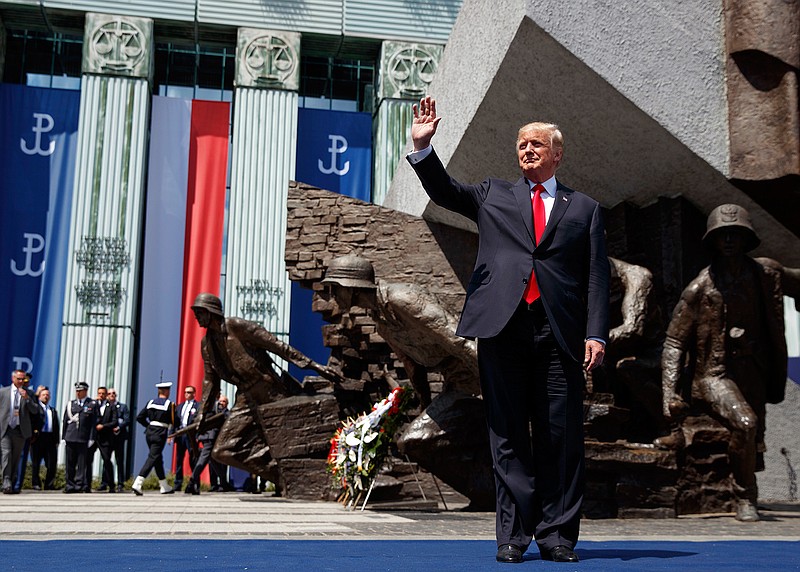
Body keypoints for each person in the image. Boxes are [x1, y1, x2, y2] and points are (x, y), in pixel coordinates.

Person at [407, 96, 609, 563]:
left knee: (560, 436)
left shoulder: (585, 209)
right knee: (508, 434)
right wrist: (423, 148)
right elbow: (446, 192)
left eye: (537, 144)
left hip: (559, 334)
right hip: (504, 329)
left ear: (557, 154)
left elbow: (597, 277)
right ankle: (514, 536)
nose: (527, 151)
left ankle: (557, 535)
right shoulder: (494, 194)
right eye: (521, 145)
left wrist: (596, 334)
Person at [660, 204, 795, 522]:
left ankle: (748, 489)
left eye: (737, 234)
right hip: (714, 375)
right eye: (723, 235)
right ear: (713, 241)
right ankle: (744, 497)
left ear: (748, 239)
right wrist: (669, 393)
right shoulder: (700, 288)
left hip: (754, 371)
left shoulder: (765, 274)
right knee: (746, 423)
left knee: (754, 436)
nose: (730, 240)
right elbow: (674, 341)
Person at [190, 293, 343, 488]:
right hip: (245, 398)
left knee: (291, 442)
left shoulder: (237, 326)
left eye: (199, 312)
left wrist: (314, 366)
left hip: (271, 393)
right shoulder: (207, 344)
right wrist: (202, 413)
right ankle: (281, 476)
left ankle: (300, 478)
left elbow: (277, 346)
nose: (196, 317)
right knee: (221, 450)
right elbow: (210, 381)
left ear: (210, 312)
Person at [132, 381, 177, 495]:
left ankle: (164, 485)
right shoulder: (169, 405)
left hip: (149, 432)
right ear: (167, 391)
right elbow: (175, 421)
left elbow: (139, 417)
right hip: (160, 433)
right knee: (153, 457)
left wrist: (148, 425)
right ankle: (138, 482)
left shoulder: (150, 403)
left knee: (157, 458)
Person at [1, 370, 40, 493]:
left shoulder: (29, 393)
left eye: (23, 379)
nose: (21, 381)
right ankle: (6, 480)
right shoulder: (3, 392)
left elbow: (35, 410)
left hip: (20, 430)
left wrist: (27, 399)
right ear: (13, 379)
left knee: (16, 457)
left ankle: (11, 481)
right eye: (19, 379)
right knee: (6, 453)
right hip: (6, 429)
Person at [62, 381, 97, 493]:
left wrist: (92, 438)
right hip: (71, 436)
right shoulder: (71, 404)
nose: (78, 393)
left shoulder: (91, 404)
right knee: (70, 463)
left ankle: (79, 484)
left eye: (80, 391)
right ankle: (69, 484)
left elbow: (93, 423)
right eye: (77, 391)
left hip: (83, 437)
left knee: (82, 463)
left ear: (85, 391)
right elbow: (65, 421)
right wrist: (63, 437)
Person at [88, 386, 118, 492]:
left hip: (105, 437)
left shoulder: (112, 406)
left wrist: (104, 426)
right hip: (94, 437)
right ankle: (87, 484)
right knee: (88, 459)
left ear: (106, 395)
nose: (101, 395)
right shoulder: (93, 404)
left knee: (106, 460)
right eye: (99, 393)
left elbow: (115, 422)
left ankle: (110, 485)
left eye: (103, 394)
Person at [170, 385, 199, 492]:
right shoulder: (180, 406)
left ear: (194, 394)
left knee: (193, 460)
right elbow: (174, 422)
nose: (187, 394)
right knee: (179, 460)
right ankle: (178, 483)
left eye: (189, 392)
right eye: (186, 392)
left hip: (191, 435)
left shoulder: (197, 406)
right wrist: (171, 434)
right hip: (180, 435)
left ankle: (194, 483)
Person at [31, 386, 59, 490]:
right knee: (36, 462)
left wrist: (57, 440)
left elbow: (56, 426)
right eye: (44, 395)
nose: (46, 397)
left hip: (50, 438)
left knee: (51, 463)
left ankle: (49, 484)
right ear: (39, 397)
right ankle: (35, 483)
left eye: (47, 395)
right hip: (38, 437)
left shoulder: (52, 410)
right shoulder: (36, 408)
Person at [207, 395, 233, 492]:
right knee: (212, 463)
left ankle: (223, 484)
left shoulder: (228, 413)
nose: (221, 403)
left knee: (222, 464)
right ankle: (213, 484)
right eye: (220, 401)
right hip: (213, 440)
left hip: (222, 442)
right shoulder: (214, 412)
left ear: (227, 404)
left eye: (223, 402)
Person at [107, 389, 130, 492]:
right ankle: (105, 483)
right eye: (109, 394)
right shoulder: (105, 407)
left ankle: (121, 483)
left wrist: (119, 427)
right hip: (108, 437)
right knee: (106, 460)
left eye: (113, 393)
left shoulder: (122, 407)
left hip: (119, 437)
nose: (111, 395)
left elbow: (127, 419)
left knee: (119, 460)